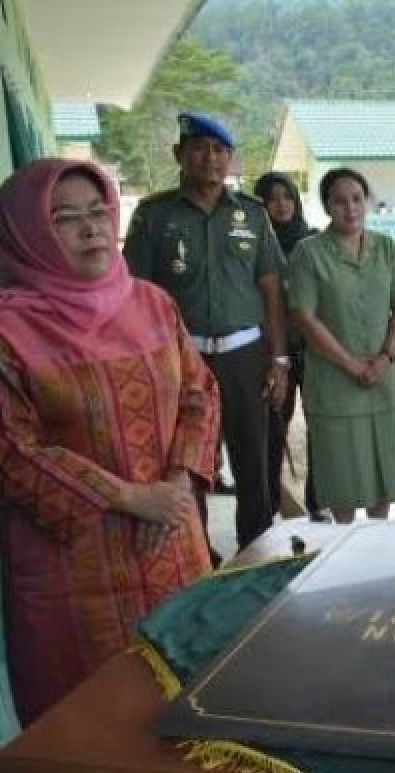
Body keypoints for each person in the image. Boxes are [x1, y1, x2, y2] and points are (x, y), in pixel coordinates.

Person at [0, 159, 218, 724]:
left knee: (192, 709)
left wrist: (173, 486)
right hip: (75, 577)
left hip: (174, 547)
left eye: (98, 212)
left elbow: (198, 392)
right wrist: (129, 497)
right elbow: (13, 449)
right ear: (26, 234)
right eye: (65, 218)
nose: (91, 228)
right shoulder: (10, 331)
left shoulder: (151, 303)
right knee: (96, 733)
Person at [124, 112, 288, 551]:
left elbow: (271, 289)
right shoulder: (154, 216)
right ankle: (198, 554)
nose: (210, 158)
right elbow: (134, 295)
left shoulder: (252, 215)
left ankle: (255, 551)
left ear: (231, 160)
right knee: (188, 459)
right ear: (180, 155)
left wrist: (279, 360)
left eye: (219, 151)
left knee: (252, 458)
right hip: (181, 360)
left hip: (244, 356)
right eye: (199, 148)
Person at [288, 168, 395, 524]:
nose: (350, 208)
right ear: (326, 206)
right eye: (339, 201)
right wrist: (352, 365)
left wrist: (386, 357)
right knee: (343, 478)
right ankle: (343, 544)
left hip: (383, 378)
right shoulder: (309, 253)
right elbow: (304, 317)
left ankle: (379, 540)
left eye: (357, 199)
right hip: (335, 382)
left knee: (383, 469)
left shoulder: (385, 246)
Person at [252, 171, 328, 523]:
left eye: (287, 197)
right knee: (272, 431)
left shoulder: (314, 241)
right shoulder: (252, 244)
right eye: (272, 198)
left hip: (312, 351)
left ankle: (318, 503)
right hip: (271, 353)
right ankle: (266, 508)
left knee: (321, 427)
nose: (281, 205)